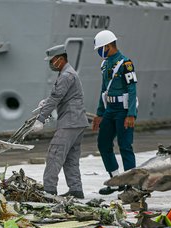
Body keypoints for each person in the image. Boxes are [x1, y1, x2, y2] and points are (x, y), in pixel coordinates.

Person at [32, 44, 89, 199]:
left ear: (60, 59)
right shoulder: (69, 73)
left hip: (69, 122)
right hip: (77, 122)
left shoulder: (66, 76)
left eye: (52, 60)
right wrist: (47, 101)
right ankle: (76, 189)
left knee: (54, 154)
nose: (51, 64)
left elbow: (56, 97)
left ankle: (49, 190)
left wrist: (40, 119)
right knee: (70, 158)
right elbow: (60, 96)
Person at [91, 30, 138, 195]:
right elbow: (103, 91)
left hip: (123, 111)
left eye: (100, 48)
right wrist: (99, 114)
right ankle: (116, 179)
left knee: (125, 146)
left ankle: (132, 185)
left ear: (109, 46)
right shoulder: (105, 64)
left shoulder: (126, 64)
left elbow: (132, 89)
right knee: (103, 144)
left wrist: (131, 114)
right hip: (109, 110)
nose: (99, 52)